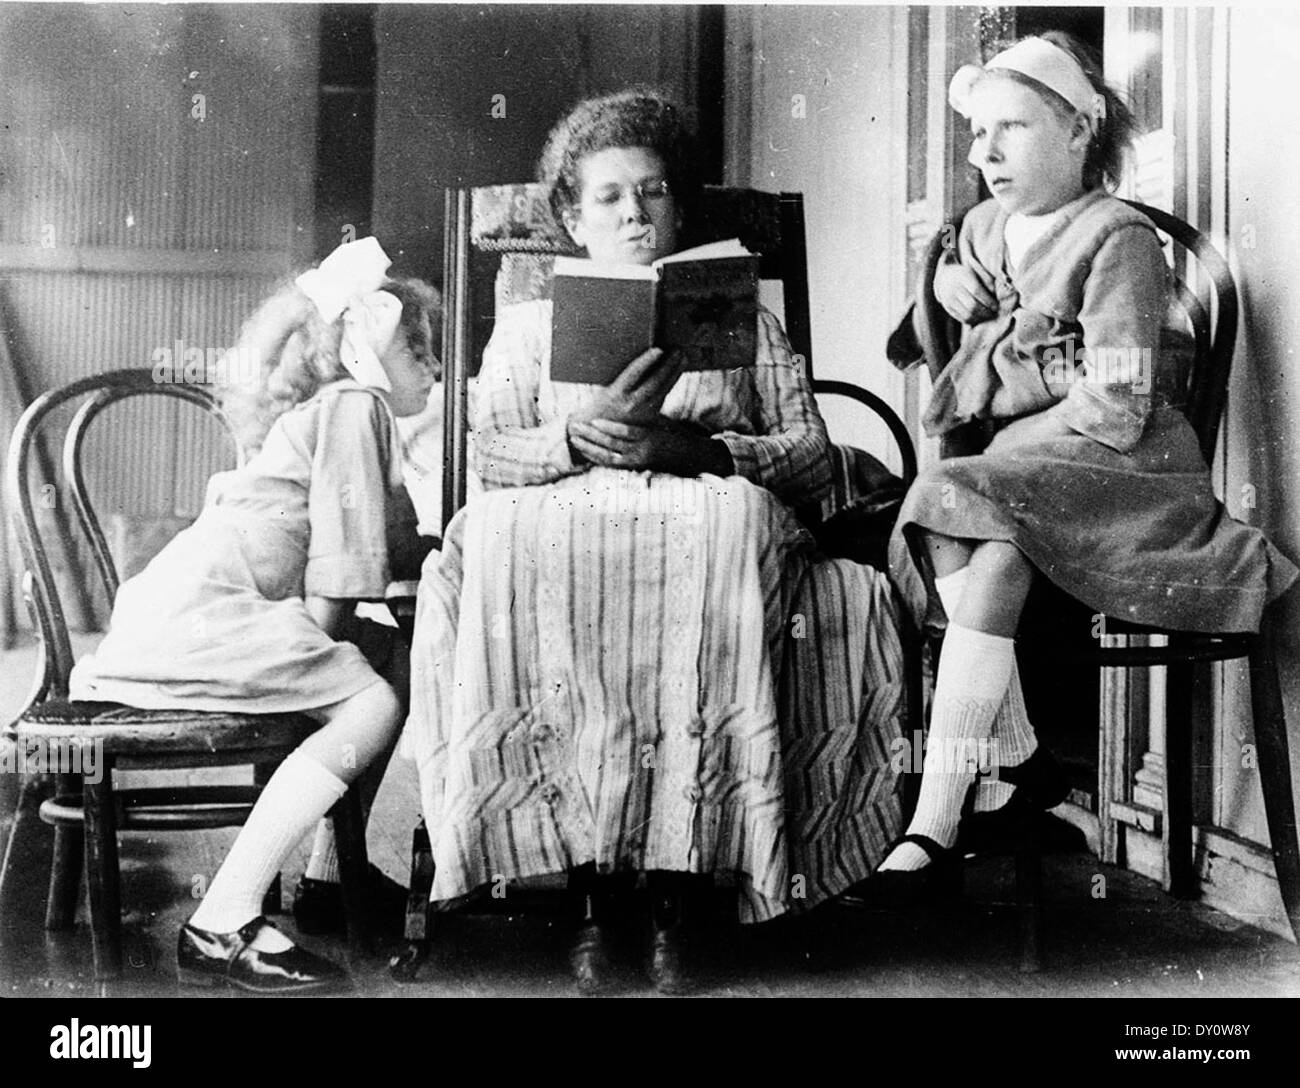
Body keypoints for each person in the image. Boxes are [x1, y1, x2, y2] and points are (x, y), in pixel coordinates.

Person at [402, 89, 906, 994]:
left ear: (679, 206)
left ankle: (677, 892)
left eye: (655, 192)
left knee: (723, 522)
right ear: (571, 215)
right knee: (511, 545)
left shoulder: (743, 319)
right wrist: (570, 437)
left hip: (701, 508)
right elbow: (479, 454)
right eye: (610, 197)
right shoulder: (523, 327)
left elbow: (808, 452)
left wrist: (700, 447)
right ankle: (592, 901)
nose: (636, 212)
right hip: (565, 513)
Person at [877, 33, 1298, 889]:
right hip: (1035, 470)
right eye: (978, 132)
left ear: (1079, 135)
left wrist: (1004, 416)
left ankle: (939, 815)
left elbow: (1117, 397)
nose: (985, 151)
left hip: (1128, 469)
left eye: (1015, 128)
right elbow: (929, 341)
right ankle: (1005, 765)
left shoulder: (1118, 236)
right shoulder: (988, 228)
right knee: (970, 524)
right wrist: (950, 279)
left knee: (955, 494)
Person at [68, 238, 441, 992]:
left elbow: (377, 543)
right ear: (365, 352)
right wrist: (331, 677)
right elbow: (339, 570)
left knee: (385, 653)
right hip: (210, 614)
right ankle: (223, 918)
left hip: (189, 606)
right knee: (372, 700)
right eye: (418, 347)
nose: (434, 366)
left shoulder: (331, 415)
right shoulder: (354, 407)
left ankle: (333, 877)